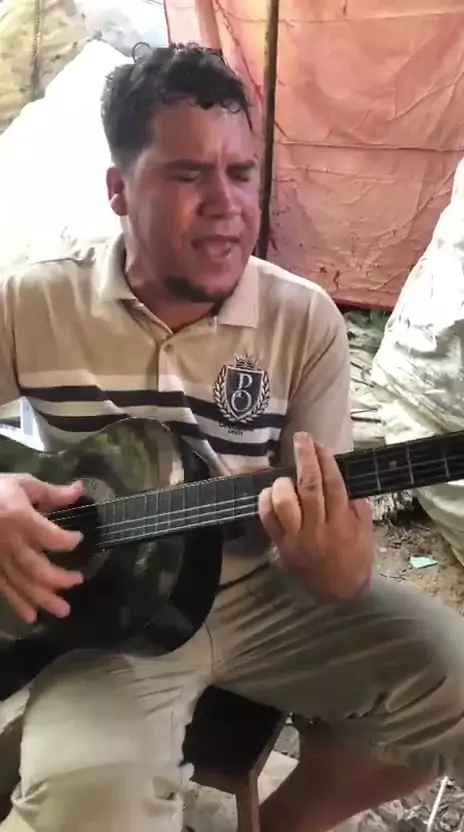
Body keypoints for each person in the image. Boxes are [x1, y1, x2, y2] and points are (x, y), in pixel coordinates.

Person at [0, 43, 463, 832]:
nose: (227, 204)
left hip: (268, 591)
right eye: (188, 175)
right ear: (119, 190)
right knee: (85, 802)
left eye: (241, 173)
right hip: (107, 626)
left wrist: (329, 559)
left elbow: (343, 572)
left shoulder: (304, 319)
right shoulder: (34, 300)